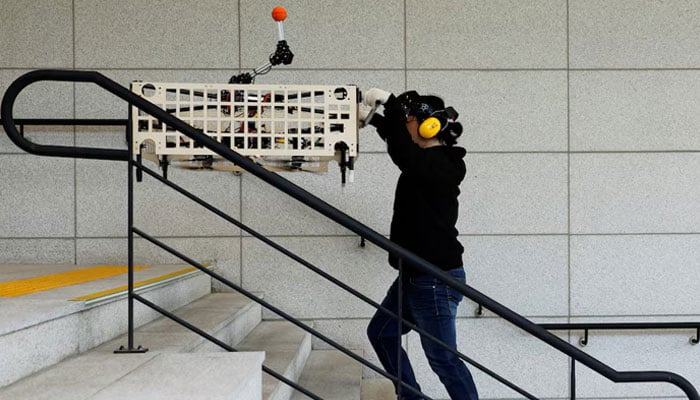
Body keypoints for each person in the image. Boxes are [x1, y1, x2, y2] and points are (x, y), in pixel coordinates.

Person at [362, 88, 479, 400]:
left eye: (410, 120)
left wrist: (391, 102)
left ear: (429, 126)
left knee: (444, 360)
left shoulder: (440, 165)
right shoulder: (425, 160)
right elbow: (401, 142)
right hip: (414, 276)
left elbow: (403, 151)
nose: (405, 126)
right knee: (382, 333)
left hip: (435, 279)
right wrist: (375, 120)